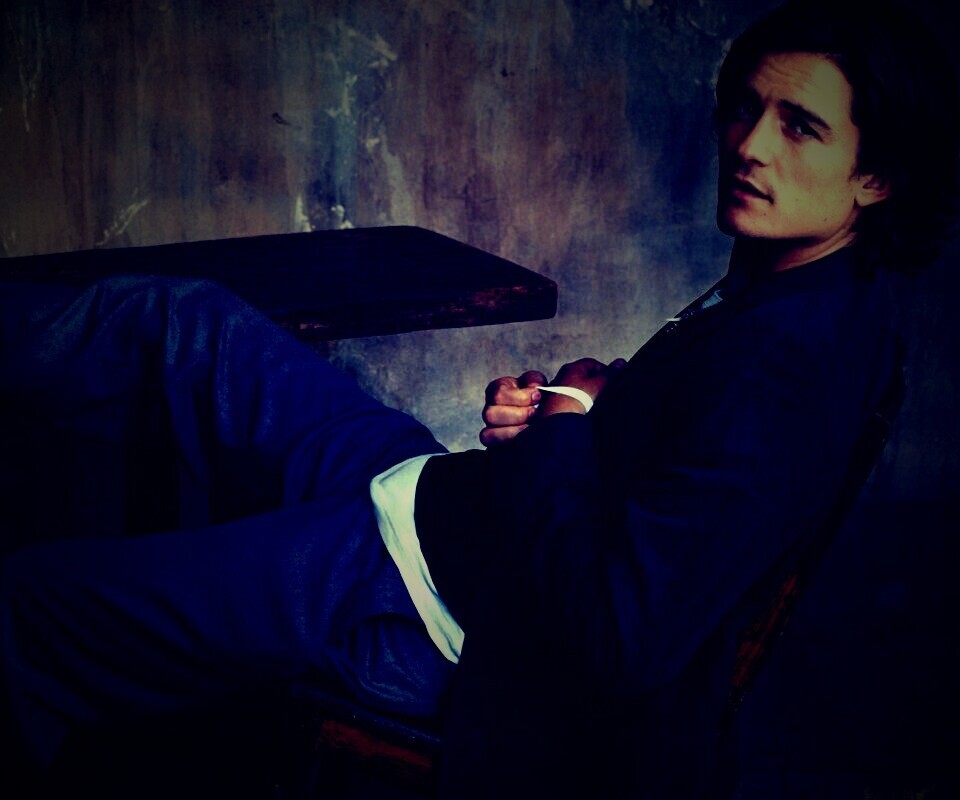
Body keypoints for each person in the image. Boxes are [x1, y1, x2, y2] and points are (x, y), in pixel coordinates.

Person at [1, 1, 956, 798]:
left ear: (877, 176)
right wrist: (576, 406)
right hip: (448, 506)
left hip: (428, 604)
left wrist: (565, 427)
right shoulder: (810, 291)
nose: (749, 146)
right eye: (746, 109)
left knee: (28, 608)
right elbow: (684, 471)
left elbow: (621, 634)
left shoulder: (793, 362)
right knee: (188, 326)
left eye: (800, 127)